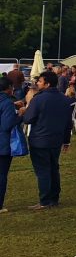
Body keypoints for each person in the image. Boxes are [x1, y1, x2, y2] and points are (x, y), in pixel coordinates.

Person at [20, 71, 73, 209]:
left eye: (40, 81)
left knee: (43, 171)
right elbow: (68, 123)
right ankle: (54, 198)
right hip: (56, 140)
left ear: (47, 84)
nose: (37, 83)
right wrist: (66, 140)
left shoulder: (38, 99)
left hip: (40, 140)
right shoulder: (65, 99)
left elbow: (28, 119)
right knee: (54, 168)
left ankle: (45, 200)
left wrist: (25, 109)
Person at [1, 76, 24, 213]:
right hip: (2, 144)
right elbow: (7, 125)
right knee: (2, 175)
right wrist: (20, 115)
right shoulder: (7, 103)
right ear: (9, 88)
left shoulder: (8, 103)